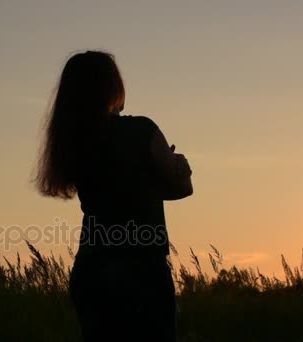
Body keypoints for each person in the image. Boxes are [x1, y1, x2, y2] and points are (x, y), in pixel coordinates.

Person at [35, 51, 193, 341]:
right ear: (113, 86)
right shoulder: (141, 130)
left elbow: (113, 186)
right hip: (142, 270)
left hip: (92, 268)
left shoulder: (72, 143)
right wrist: (179, 168)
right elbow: (183, 189)